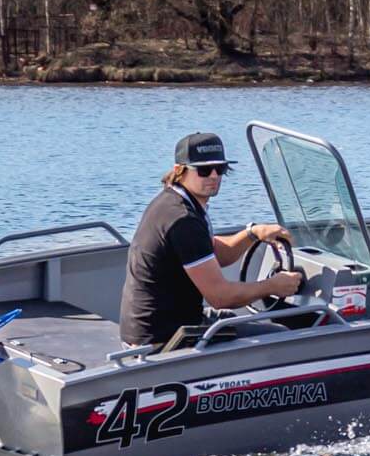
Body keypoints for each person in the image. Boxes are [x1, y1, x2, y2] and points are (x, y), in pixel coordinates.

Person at [118, 132, 303, 349]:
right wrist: (272, 286)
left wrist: (253, 233)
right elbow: (220, 297)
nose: (214, 176)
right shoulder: (183, 220)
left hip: (152, 327)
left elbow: (214, 253)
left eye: (220, 168)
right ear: (179, 170)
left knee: (230, 318)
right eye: (204, 170)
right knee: (281, 337)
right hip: (163, 339)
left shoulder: (174, 202)